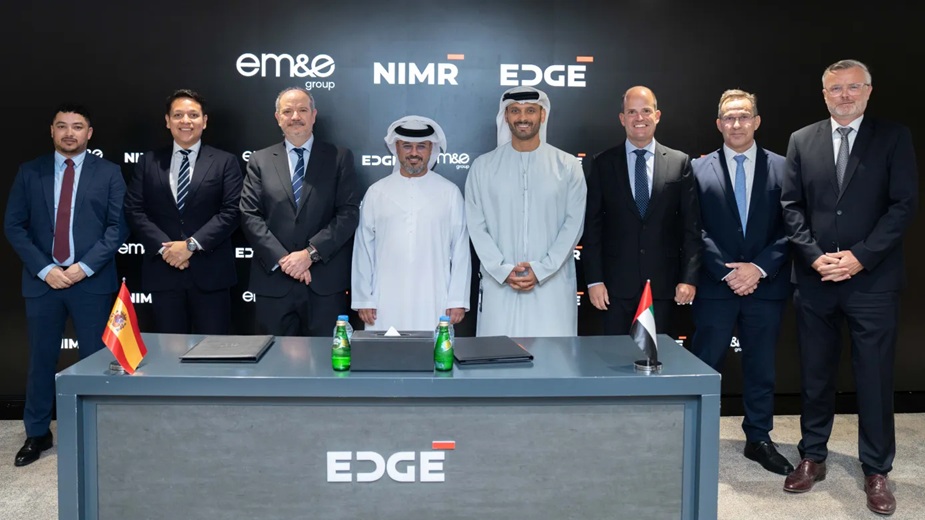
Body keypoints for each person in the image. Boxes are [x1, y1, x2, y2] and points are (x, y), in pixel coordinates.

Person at [781, 59, 917, 516]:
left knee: (874, 378)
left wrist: (860, 256)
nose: (844, 95)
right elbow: (791, 206)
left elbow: (902, 205)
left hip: (872, 280)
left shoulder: (894, 137)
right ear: (824, 94)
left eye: (853, 87)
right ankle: (812, 457)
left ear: (868, 91)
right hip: (816, 278)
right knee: (815, 373)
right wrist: (814, 255)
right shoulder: (802, 139)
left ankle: (876, 469)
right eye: (835, 89)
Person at [4, 104, 128, 466]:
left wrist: (83, 268)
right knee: (41, 360)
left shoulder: (109, 173)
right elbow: (14, 225)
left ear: (89, 133)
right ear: (52, 131)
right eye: (62, 126)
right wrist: (46, 269)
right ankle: (37, 433)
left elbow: (118, 227)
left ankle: (95, 432)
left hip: (90, 282)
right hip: (44, 283)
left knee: (95, 360)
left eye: (77, 126)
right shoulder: (30, 172)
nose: (69, 133)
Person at [690, 89, 793, 475]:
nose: (737, 124)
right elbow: (693, 228)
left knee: (761, 366)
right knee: (705, 364)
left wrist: (758, 268)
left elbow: (793, 227)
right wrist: (727, 271)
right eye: (729, 117)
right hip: (716, 287)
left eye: (744, 116)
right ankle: (697, 436)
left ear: (757, 121)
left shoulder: (783, 167)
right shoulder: (697, 168)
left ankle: (759, 439)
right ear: (719, 124)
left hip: (765, 286)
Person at [465, 86, 587, 337]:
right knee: (496, 354)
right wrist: (502, 269)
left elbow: (573, 224)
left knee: (554, 356)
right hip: (500, 285)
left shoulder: (567, 165)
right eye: (515, 111)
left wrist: (542, 269)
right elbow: (476, 226)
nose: (523, 118)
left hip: (552, 287)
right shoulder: (483, 167)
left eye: (530, 110)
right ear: (506, 116)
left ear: (542, 115)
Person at [240, 87, 359, 336]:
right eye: (288, 111)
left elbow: (347, 214)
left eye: (302, 110)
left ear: (313, 115)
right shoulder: (260, 160)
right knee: (272, 358)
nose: (295, 116)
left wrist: (309, 254)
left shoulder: (339, 157)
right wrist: (285, 260)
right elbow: (250, 215)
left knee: (326, 357)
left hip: (324, 284)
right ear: (278, 118)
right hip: (274, 282)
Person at [583, 86, 701, 334]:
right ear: (622, 118)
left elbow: (691, 227)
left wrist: (688, 278)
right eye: (632, 112)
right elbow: (592, 227)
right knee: (614, 356)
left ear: (657, 116)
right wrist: (594, 280)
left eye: (646, 111)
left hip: (664, 287)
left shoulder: (679, 162)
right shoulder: (602, 163)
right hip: (614, 289)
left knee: (658, 356)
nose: (639, 118)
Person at [124, 89, 243, 334]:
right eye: (178, 115)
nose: (185, 121)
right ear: (168, 121)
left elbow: (232, 211)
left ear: (204, 121)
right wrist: (167, 250)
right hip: (163, 272)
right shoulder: (148, 162)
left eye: (193, 115)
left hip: (211, 275)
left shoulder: (225, 161)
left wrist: (190, 245)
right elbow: (135, 210)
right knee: (168, 351)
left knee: (213, 350)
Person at [351, 116, 470, 330]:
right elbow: (363, 249)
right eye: (407, 146)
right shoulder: (377, 192)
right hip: (384, 301)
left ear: (431, 149)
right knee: (386, 349)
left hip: (435, 298)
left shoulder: (450, 192)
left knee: (433, 349)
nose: (414, 153)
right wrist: (363, 298)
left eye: (421, 146)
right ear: (396, 148)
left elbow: (461, 250)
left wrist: (457, 299)